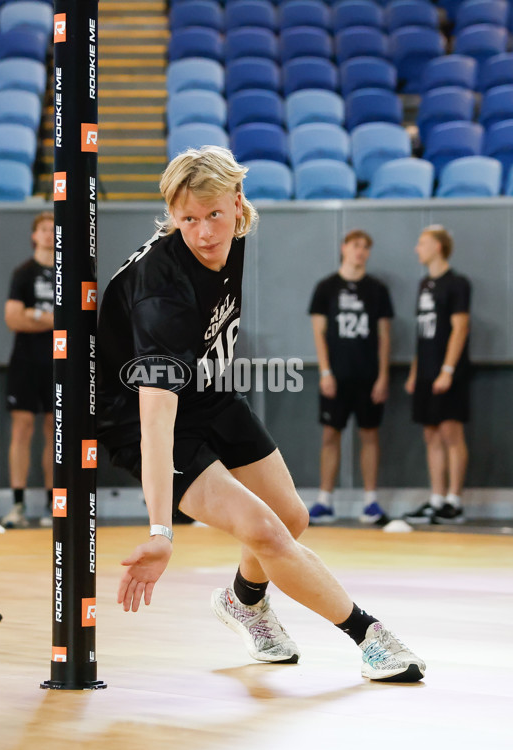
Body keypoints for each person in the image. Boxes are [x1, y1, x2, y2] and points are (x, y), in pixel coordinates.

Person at [97, 146, 425, 682]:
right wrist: (162, 529)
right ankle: (370, 637)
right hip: (139, 415)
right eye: (188, 220)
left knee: (292, 518)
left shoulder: (236, 232)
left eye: (214, 216)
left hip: (209, 390)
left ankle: (243, 601)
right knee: (268, 533)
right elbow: (156, 421)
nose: (203, 232)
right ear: (172, 215)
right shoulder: (162, 293)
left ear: (237, 202)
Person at [308, 231, 393, 525]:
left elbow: (384, 336)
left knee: (370, 434)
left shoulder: (377, 290)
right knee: (330, 434)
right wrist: (325, 372)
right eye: (356, 246)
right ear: (344, 248)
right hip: (336, 376)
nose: (361, 251)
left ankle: (371, 501)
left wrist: (383, 376)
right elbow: (318, 333)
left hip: (368, 375)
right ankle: (324, 500)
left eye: (366, 247)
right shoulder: (326, 288)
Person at [404, 226, 471, 525]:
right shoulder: (424, 284)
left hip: (448, 372)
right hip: (426, 372)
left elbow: (460, 328)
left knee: (451, 433)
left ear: (438, 247)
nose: (417, 248)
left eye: (422, 243)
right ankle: (437, 498)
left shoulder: (457, 283)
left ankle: (454, 501)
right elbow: (423, 334)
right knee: (430, 433)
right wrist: (416, 372)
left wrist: (447, 370)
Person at [1, 212, 55, 529]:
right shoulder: (23, 273)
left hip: (58, 363)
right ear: (34, 235)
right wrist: (51, 319)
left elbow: (79, 319)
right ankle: (17, 505)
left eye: (53, 229)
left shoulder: (69, 271)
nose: (49, 234)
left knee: (54, 429)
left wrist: (34, 314)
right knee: (21, 429)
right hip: (24, 362)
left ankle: (52, 504)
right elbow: (13, 319)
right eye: (43, 230)